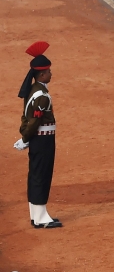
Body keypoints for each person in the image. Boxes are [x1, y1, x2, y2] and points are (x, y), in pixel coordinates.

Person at [15, 41, 61, 229]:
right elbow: (34, 121)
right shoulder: (42, 96)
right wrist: (26, 138)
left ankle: (37, 215)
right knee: (42, 174)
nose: (51, 74)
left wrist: (25, 137)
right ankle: (41, 218)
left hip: (38, 139)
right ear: (42, 74)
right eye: (49, 71)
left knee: (35, 174)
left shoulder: (33, 91)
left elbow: (27, 118)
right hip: (43, 140)